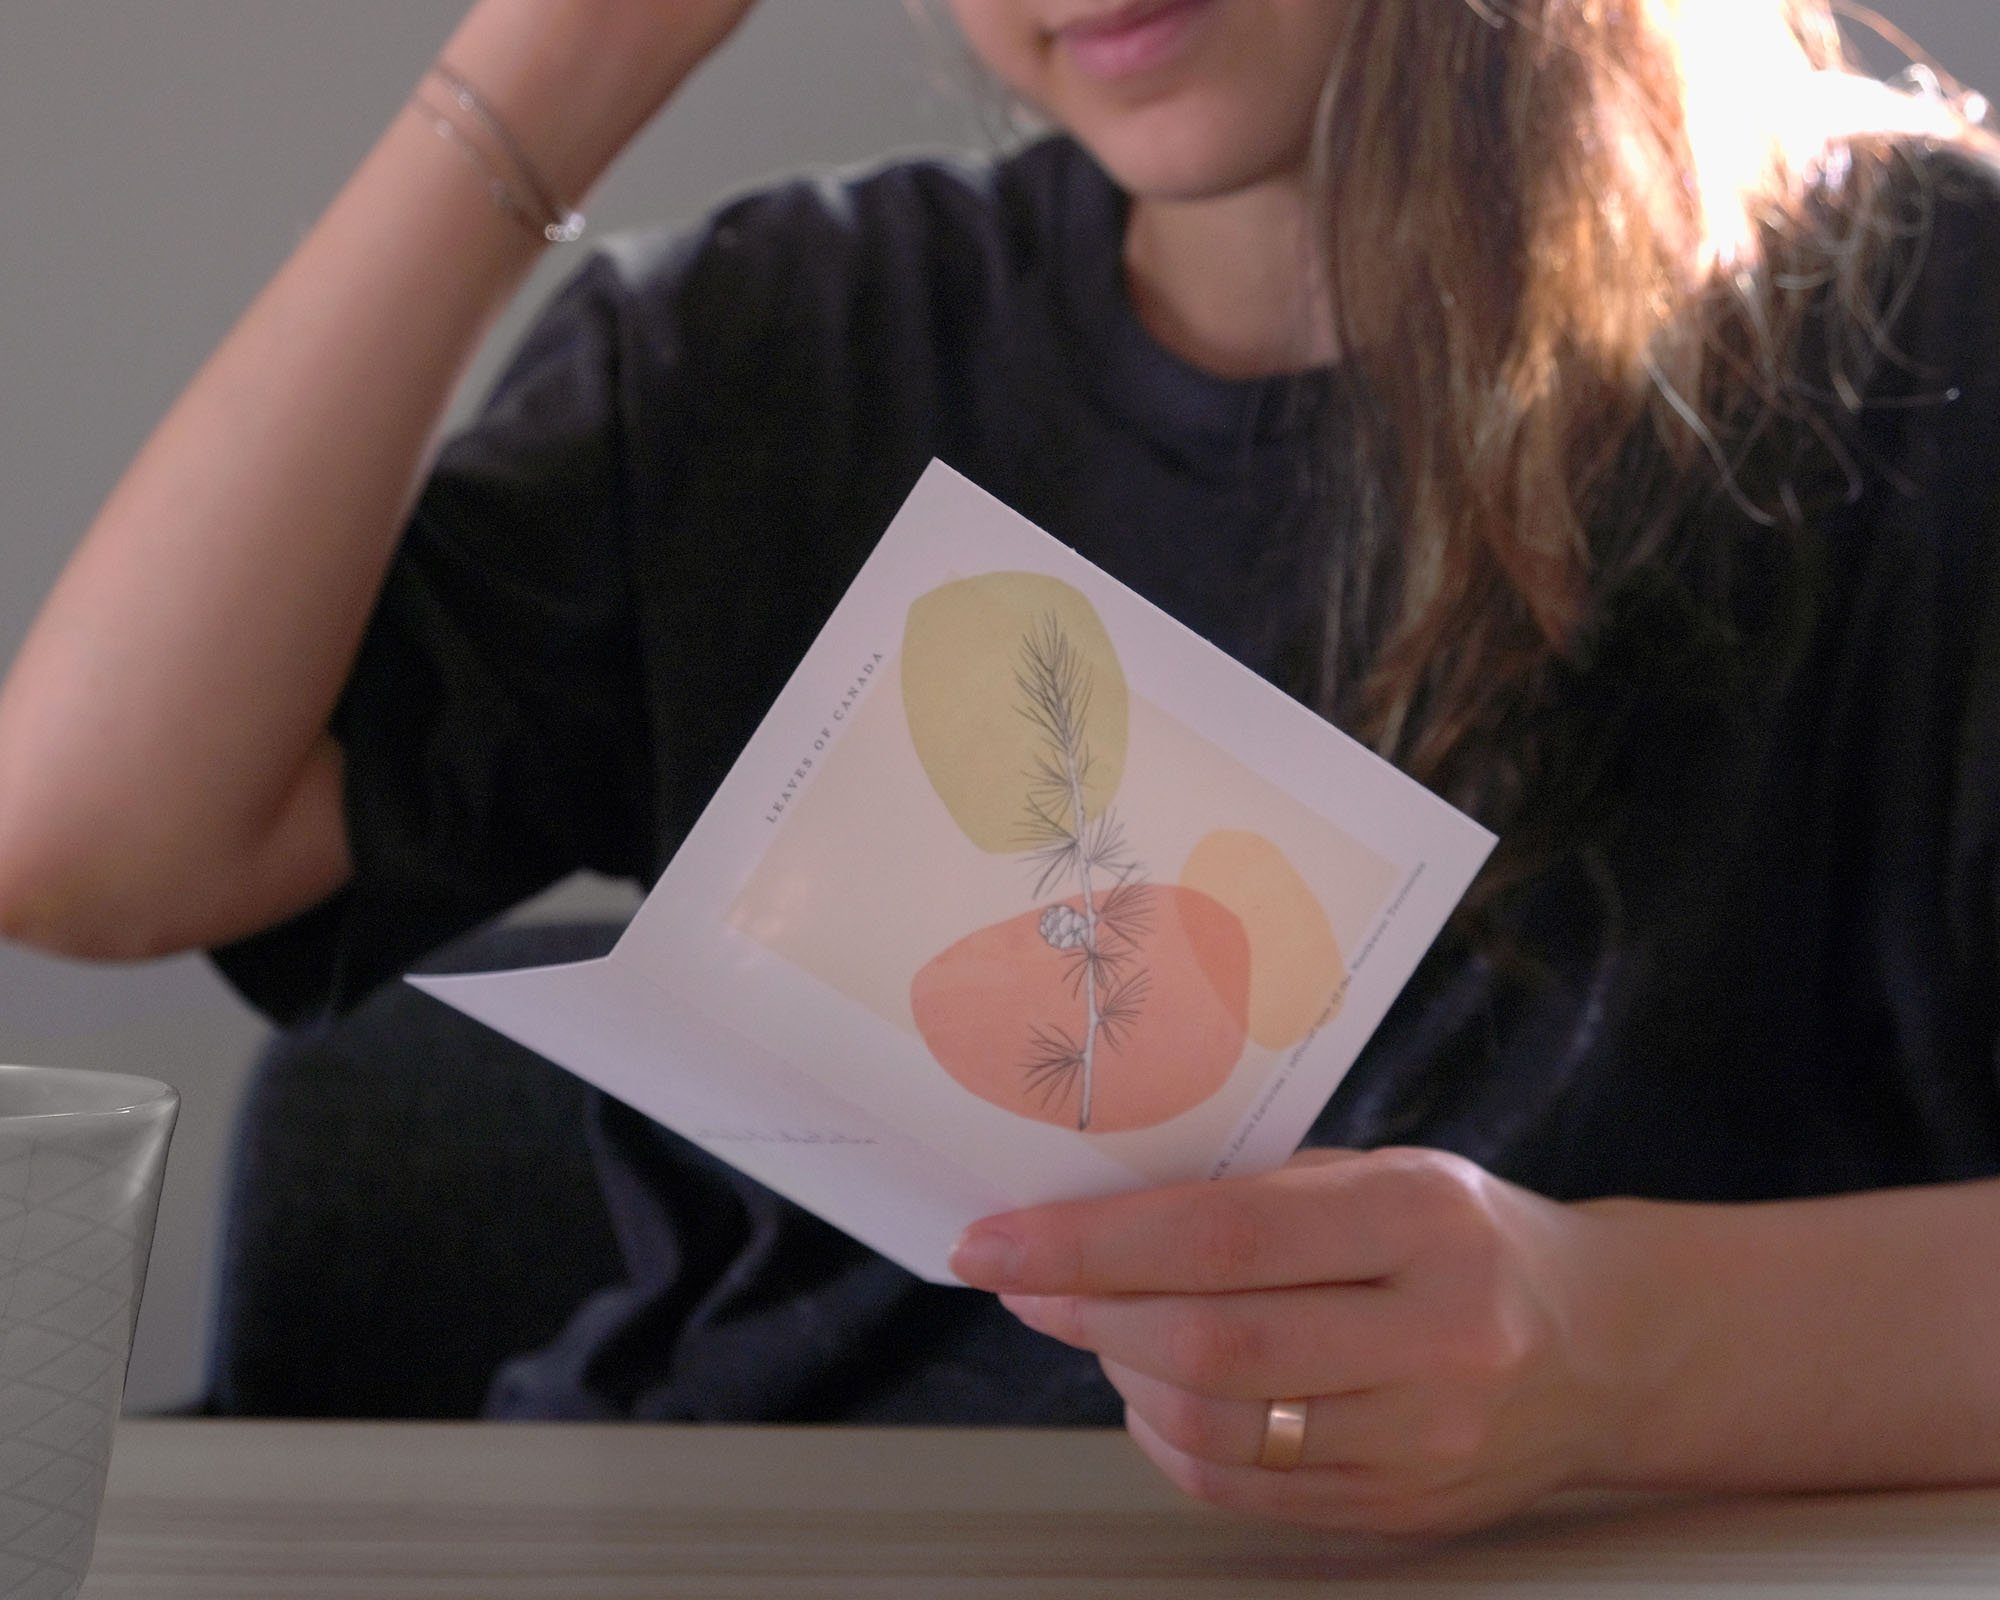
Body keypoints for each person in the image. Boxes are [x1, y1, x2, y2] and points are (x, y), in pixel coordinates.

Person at [2, 0, 1999, 1538]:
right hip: (763, 1535)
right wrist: (541, 80)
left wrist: (1605, 1342)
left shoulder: (1927, 339)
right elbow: (90, 849)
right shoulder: (770, 346)